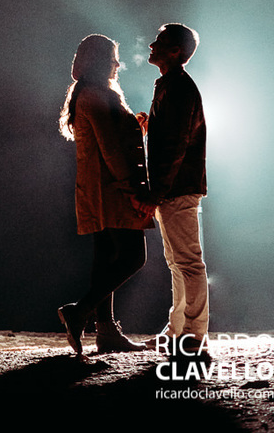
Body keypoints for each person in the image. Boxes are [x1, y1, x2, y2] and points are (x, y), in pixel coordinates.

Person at [57, 33, 154, 355]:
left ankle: (107, 331)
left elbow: (110, 137)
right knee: (133, 257)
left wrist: (134, 127)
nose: (117, 63)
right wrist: (133, 190)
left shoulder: (90, 94)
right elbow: (110, 149)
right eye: (113, 57)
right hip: (110, 190)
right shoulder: (96, 96)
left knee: (104, 259)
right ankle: (79, 311)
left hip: (96, 190)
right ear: (101, 61)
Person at [146, 22, 208, 349]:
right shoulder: (173, 86)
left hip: (178, 188)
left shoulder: (178, 88)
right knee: (178, 262)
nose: (150, 45)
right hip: (176, 187)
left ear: (175, 51)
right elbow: (172, 138)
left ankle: (193, 335)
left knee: (186, 262)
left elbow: (176, 146)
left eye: (159, 41)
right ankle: (179, 331)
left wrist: (156, 192)